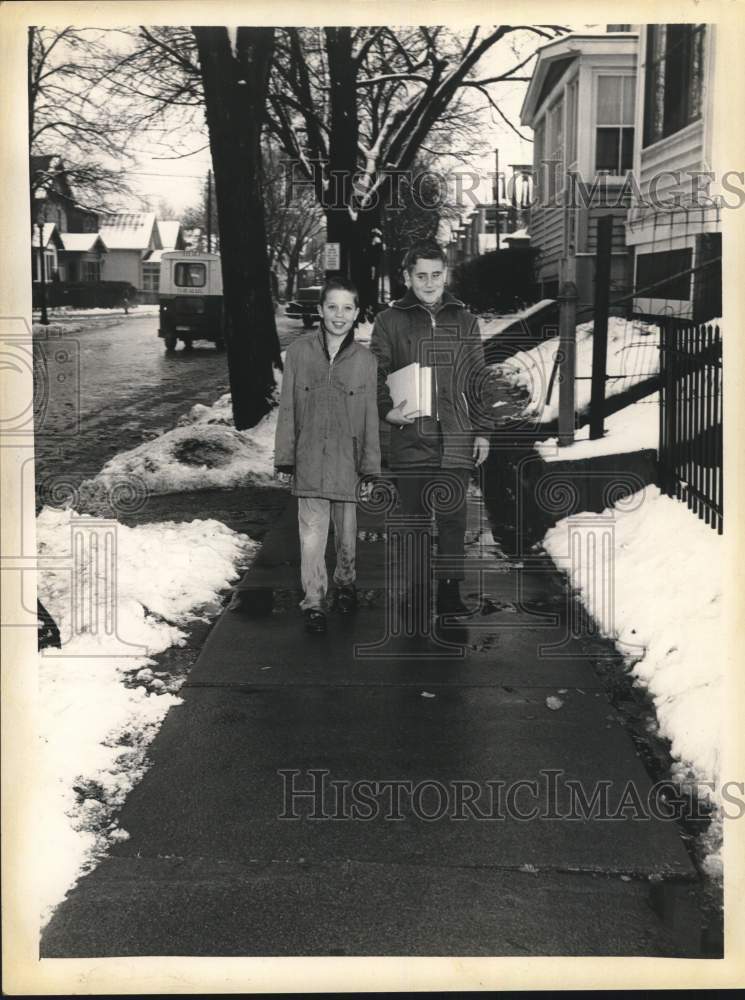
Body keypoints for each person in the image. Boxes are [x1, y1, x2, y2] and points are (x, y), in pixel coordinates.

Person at [370, 239, 492, 618]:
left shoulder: (465, 320)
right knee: (414, 519)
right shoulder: (389, 321)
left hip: (455, 436)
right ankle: (418, 590)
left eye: (436, 275)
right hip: (410, 435)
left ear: (445, 274)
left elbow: (478, 377)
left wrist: (484, 430)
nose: (428, 282)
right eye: (420, 275)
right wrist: (386, 410)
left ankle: (450, 592)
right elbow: (375, 371)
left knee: (454, 520)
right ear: (408, 277)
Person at [274, 277, 381, 634]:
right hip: (309, 460)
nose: (339, 315)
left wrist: (369, 469)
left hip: (348, 463)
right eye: (332, 307)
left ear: (357, 314)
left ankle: (346, 583)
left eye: (347, 308)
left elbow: (369, 417)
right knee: (312, 536)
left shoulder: (365, 361)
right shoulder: (300, 353)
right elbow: (288, 407)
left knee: (346, 535)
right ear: (320, 310)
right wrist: (285, 459)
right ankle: (314, 601)